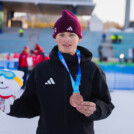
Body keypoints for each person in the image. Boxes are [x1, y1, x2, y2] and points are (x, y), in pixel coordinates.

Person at [1, 10, 114, 134]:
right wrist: (10, 106)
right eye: (61, 34)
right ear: (55, 37)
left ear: (79, 38)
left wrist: (97, 108)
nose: (66, 39)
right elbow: (31, 105)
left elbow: (107, 104)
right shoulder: (41, 70)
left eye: (72, 35)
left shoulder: (93, 69)